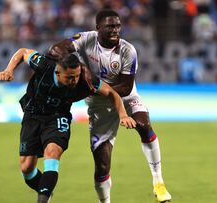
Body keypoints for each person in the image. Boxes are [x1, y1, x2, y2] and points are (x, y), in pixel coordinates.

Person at [48, 9, 172, 202]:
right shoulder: (84, 40)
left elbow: (124, 87)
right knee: (102, 164)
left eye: (118, 26)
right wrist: (82, 69)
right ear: (98, 28)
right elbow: (54, 50)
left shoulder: (128, 50)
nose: (116, 30)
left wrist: (93, 85)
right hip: (99, 106)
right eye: (110, 26)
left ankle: (159, 182)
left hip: (126, 97)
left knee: (144, 125)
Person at [0, 48, 136, 203]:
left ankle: (43, 199)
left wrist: (123, 115)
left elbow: (112, 93)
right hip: (32, 116)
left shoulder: (86, 80)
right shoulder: (45, 65)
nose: (74, 81)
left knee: (52, 152)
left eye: (76, 76)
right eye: (69, 77)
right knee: (27, 168)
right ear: (57, 73)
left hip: (58, 117)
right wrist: (9, 69)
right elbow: (23, 52)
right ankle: (46, 189)